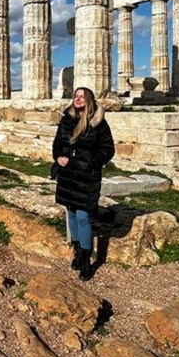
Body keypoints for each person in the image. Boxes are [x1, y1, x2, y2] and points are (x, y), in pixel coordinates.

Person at [52, 87, 116, 281]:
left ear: (88, 100)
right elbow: (57, 144)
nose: (78, 99)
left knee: (83, 216)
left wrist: (91, 163)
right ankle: (78, 253)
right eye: (75, 96)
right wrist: (58, 157)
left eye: (82, 96)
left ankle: (87, 260)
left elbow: (108, 149)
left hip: (86, 176)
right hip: (67, 174)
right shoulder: (66, 120)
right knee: (71, 212)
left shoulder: (99, 123)